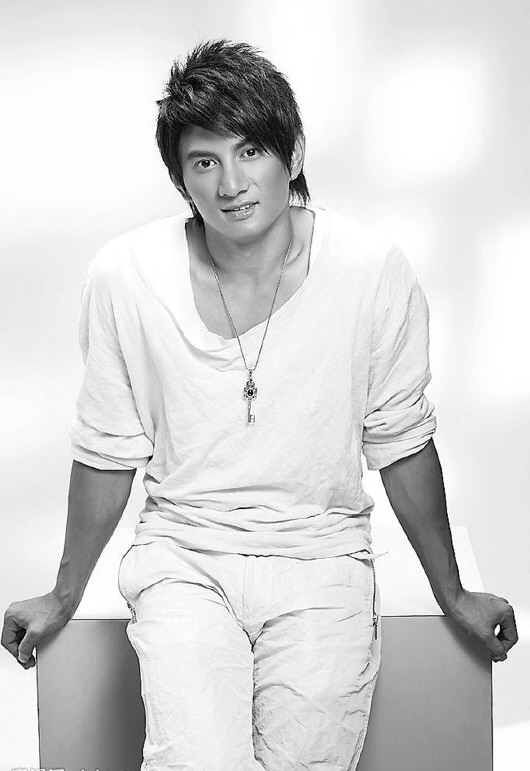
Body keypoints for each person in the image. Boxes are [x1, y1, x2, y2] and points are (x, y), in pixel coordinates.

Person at [2, 39, 518, 770]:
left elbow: (401, 441)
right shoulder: (126, 275)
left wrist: (454, 592)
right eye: (204, 162)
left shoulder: (369, 270)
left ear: (293, 152)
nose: (231, 183)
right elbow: (107, 450)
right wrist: (62, 594)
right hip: (184, 557)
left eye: (250, 151)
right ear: (180, 178)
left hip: (322, 560)